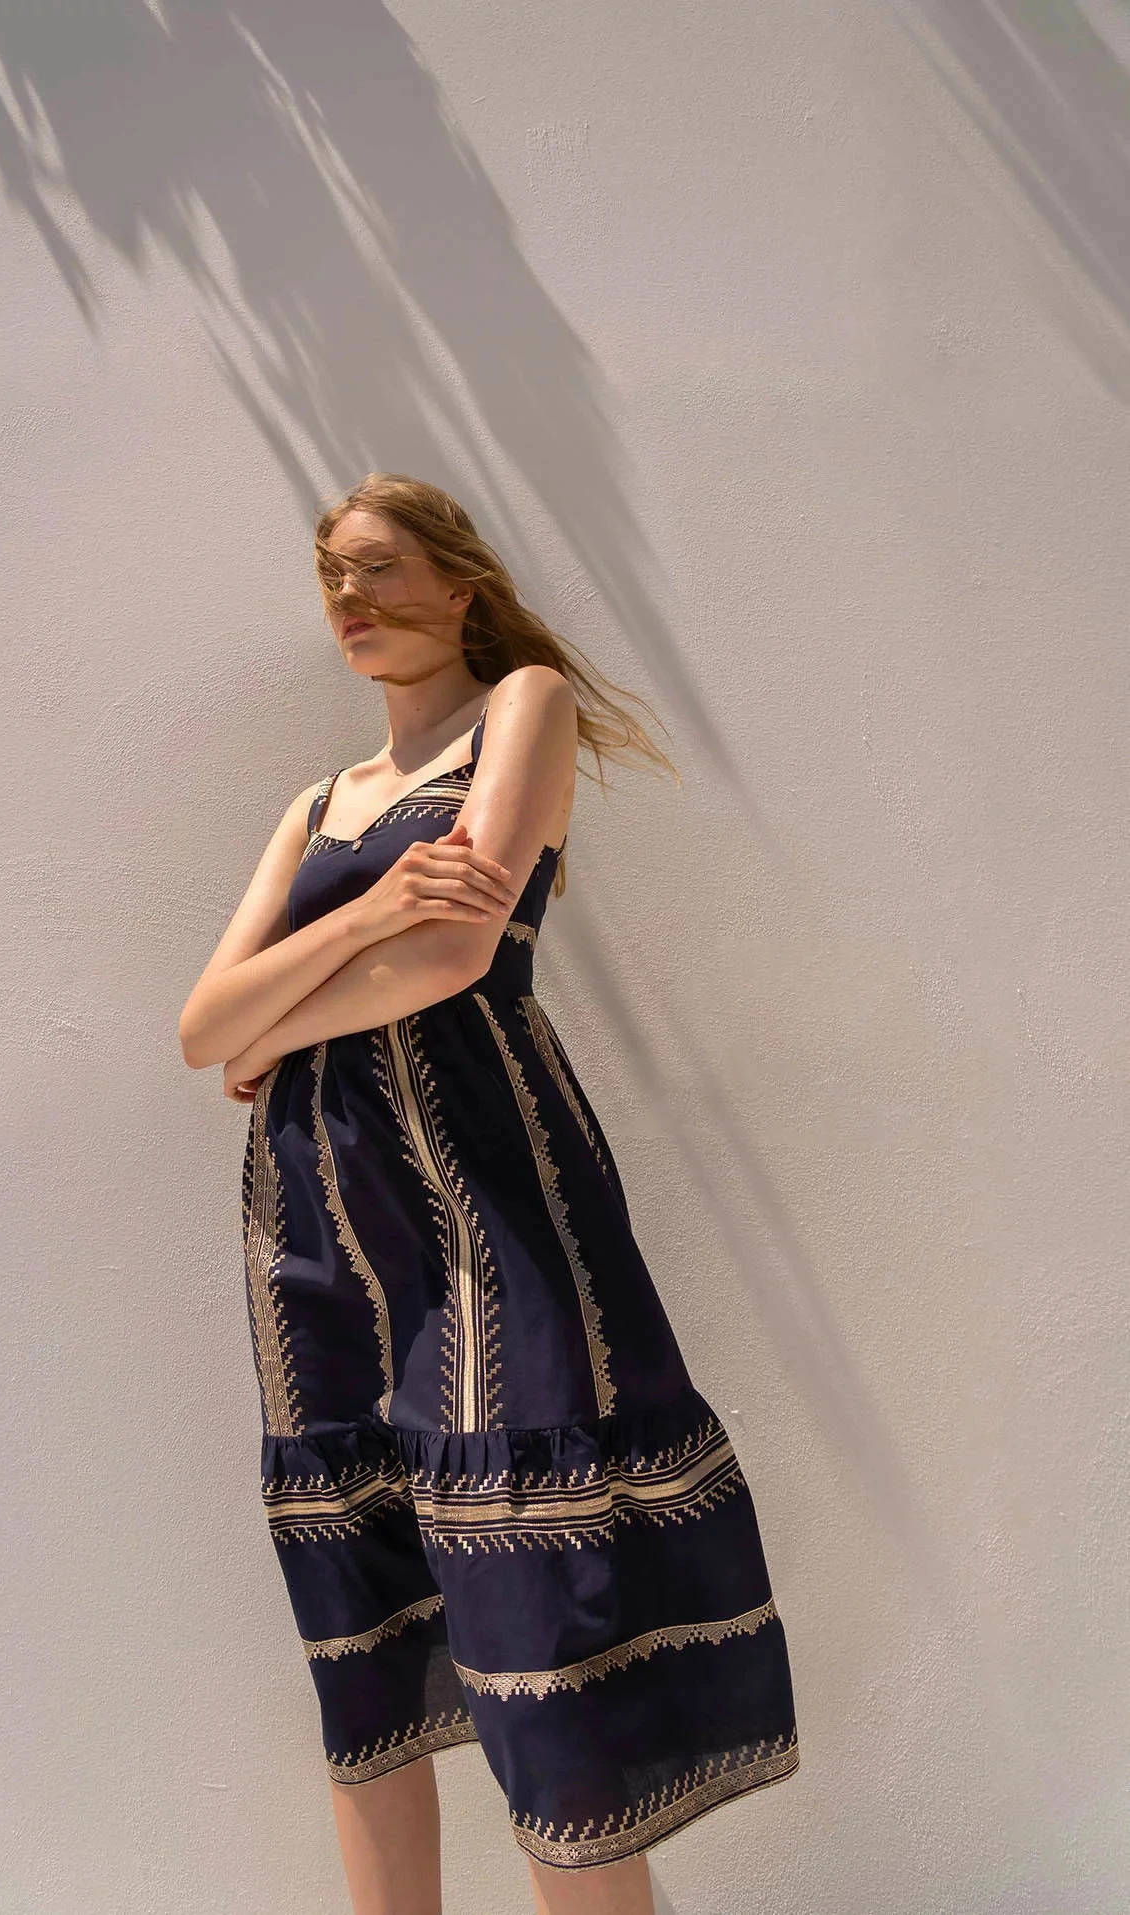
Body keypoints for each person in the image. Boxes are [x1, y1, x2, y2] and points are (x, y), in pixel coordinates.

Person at [179, 473, 799, 1915]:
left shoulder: (521, 704)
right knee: (359, 1622)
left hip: (481, 1183)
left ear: (460, 583)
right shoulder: (317, 804)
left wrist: (281, 1017)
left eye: (380, 569)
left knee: (533, 1611)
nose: (351, 599)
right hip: (312, 1213)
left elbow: (455, 961)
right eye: (333, 577)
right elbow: (202, 1029)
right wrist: (377, 911)